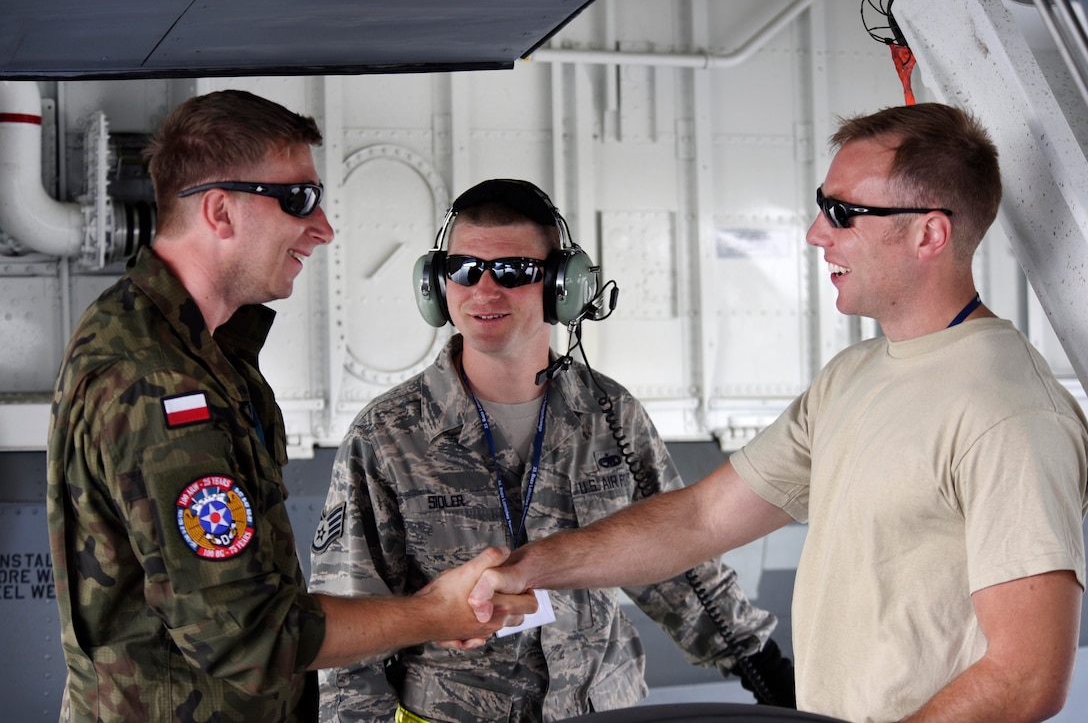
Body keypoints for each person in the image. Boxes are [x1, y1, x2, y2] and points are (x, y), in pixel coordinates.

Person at [467, 104, 1088, 723]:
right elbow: (702, 520)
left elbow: (1026, 675)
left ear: (929, 234)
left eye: (844, 213)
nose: (817, 233)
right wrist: (530, 568)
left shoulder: (1011, 414)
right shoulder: (853, 376)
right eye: (823, 205)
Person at [45, 90, 535, 723]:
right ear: (220, 211)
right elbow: (250, 633)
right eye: (298, 199)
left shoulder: (193, 348)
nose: (324, 228)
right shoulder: (161, 385)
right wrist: (430, 614)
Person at [308, 178, 795, 723]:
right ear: (437, 285)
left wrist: (762, 664)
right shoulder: (388, 434)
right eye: (464, 270)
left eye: (514, 271)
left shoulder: (610, 414)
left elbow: (677, 561)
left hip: (600, 710)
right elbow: (351, 620)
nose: (485, 291)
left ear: (563, 286)